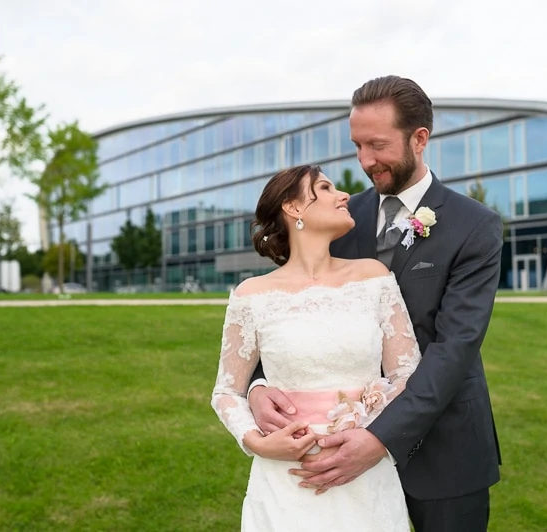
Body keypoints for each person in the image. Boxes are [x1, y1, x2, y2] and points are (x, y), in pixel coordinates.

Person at [248, 75, 504, 532]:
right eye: (357, 145)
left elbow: (454, 347)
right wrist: (260, 385)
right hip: (335, 450)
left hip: (446, 448)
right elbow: (288, 303)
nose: (365, 161)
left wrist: (379, 437)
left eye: (377, 145)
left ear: (419, 139)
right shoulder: (339, 217)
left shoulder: (475, 225)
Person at [211, 164, 422, 531]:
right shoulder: (251, 296)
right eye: (325, 188)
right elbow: (227, 391)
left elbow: (407, 373)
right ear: (293, 208)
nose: (344, 196)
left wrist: (374, 436)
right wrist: (258, 444)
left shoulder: (373, 277)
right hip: (285, 481)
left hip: (365, 473)